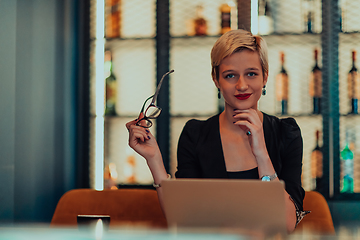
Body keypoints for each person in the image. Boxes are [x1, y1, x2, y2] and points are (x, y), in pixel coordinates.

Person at [126, 29, 307, 233]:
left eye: (251, 74)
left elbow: (287, 224)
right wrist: (154, 159)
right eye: (230, 75)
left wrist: (261, 151)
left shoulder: (287, 133)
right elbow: (183, 220)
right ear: (216, 79)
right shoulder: (195, 135)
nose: (242, 85)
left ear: (265, 77)